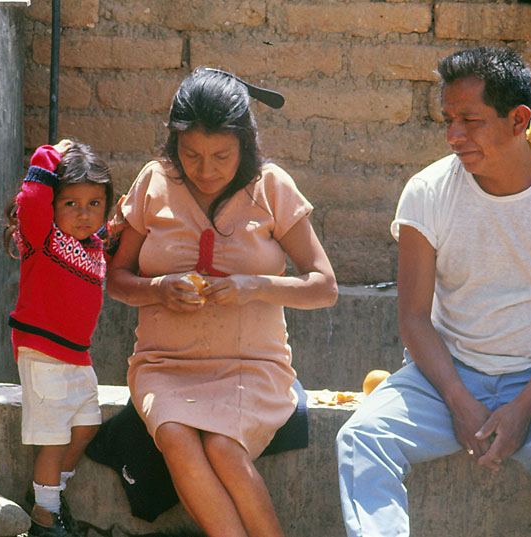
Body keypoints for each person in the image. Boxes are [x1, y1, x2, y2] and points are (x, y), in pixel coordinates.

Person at [336, 46, 531, 537]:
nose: (454, 136)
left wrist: (523, 408)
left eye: (470, 121)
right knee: (361, 438)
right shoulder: (428, 191)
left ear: (519, 120)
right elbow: (413, 317)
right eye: (448, 120)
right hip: (445, 378)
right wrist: (457, 399)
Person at [106, 67, 338, 537]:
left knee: (224, 448)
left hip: (251, 368)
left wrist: (256, 286)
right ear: (174, 143)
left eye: (221, 156)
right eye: (191, 154)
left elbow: (323, 286)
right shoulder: (153, 181)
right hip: (165, 365)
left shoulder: (271, 187)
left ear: (244, 144)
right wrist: (159, 288)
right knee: (174, 434)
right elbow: (117, 280)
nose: (206, 170)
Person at [4, 139, 114, 537]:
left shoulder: (95, 246)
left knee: (87, 427)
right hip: (43, 354)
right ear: (52, 206)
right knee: (53, 441)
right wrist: (50, 154)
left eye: (94, 203)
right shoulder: (42, 237)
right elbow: (32, 200)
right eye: (70, 203)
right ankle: (44, 520)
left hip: (78, 357)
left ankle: (50, 493)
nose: (84, 214)